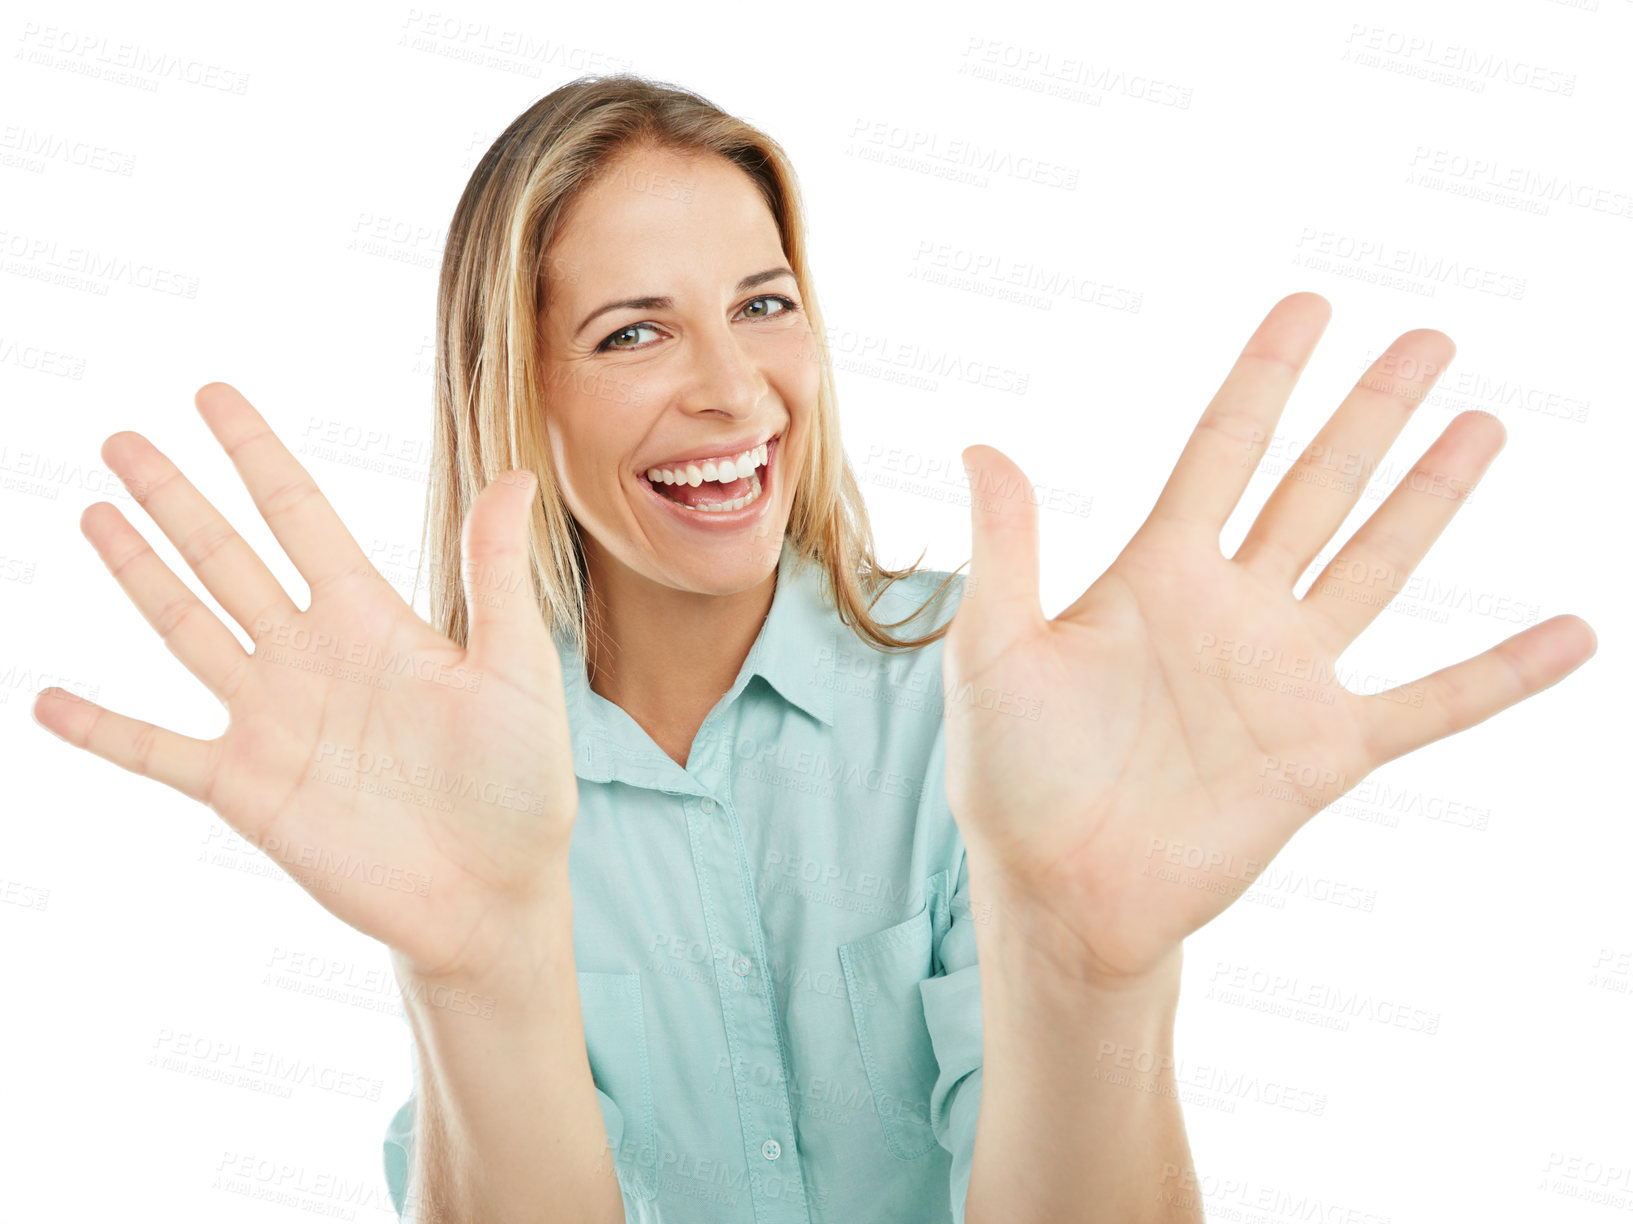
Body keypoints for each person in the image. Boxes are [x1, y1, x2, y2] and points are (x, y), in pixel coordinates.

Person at [31, 72, 1597, 1224]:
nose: (733, 391)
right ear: (516, 383)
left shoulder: (996, 696)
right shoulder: (457, 770)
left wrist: (1085, 967)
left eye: (763, 304)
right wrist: (475, 962)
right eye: (632, 331)